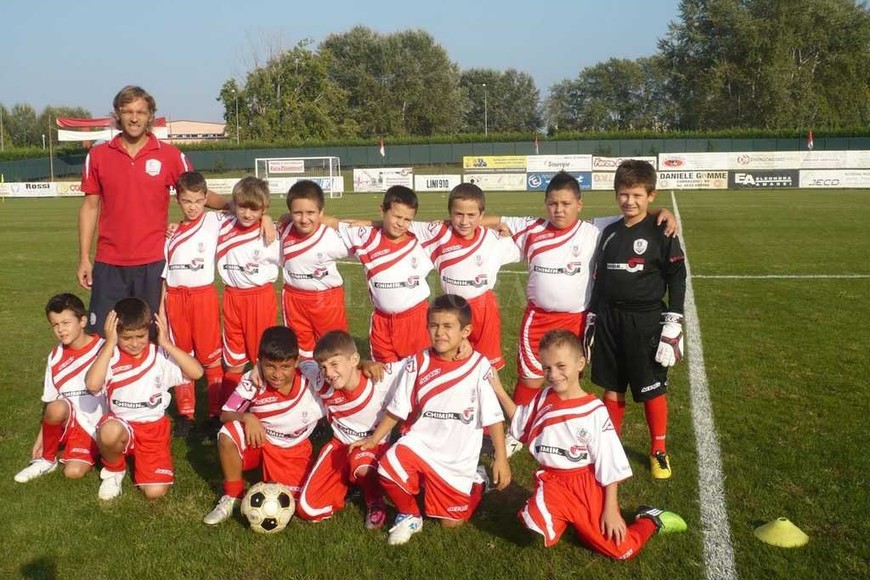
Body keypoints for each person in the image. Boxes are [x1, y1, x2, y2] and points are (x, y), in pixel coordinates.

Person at [481, 171, 677, 407]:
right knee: (530, 378)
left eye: (566, 203)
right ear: (545, 204)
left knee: (569, 377)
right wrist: (459, 221)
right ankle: (518, 430)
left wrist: (661, 212)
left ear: (579, 205)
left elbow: (635, 213)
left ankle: (560, 419)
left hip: (577, 320)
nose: (559, 209)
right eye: (553, 203)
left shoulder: (594, 229)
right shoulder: (531, 227)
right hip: (538, 318)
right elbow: (496, 220)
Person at [490, 329, 686, 558]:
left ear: (580, 363)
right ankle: (566, 516)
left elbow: (609, 462)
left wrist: (610, 508)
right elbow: (521, 425)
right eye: (547, 368)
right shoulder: (544, 398)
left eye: (561, 366)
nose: (553, 374)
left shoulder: (593, 412)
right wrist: (498, 389)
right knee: (532, 526)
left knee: (621, 551)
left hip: (585, 484)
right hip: (553, 482)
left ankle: (650, 519)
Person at [350, 294, 511, 545]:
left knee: (450, 524)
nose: (439, 333)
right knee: (388, 468)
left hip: (457, 459)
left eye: (448, 327)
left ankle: (477, 480)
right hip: (420, 445)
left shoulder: (479, 366)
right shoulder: (417, 362)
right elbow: (397, 409)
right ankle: (409, 516)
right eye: (434, 325)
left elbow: (494, 417)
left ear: (465, 331)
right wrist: (374, 439)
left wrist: (500, 457)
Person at [77, 85, 227, 336]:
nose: (134, 118)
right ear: (117, 114)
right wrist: (84, 257)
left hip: (154, 262)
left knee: (153, 336)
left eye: (141, 112)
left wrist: (238, 205)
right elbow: (90, 207)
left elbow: (199, 193)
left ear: (150, 116)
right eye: (127, 111)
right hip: (109, 262)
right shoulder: (98, 155)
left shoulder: (169, 155)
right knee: (104, 336)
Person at [585, 160, 686, 479]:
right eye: (624, 194)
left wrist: (674, 320)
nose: (629, 201)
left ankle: (658, 450)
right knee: (612, 387)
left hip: (646, 321)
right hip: (610, 319)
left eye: (637, 195)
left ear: (651, 195)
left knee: (652, 388)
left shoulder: (662, 230)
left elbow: (677, 276)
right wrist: (592, 316)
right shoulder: (610, 232)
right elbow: (600, 278)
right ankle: (611, 447)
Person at [203, 326, 324, 525]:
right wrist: (247, 418)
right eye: (270, 366)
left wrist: (364, 363)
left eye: (285, 367)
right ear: (259, 361)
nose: (277, 374)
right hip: (261, 441)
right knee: (227, 434)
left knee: (303, 507)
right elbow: (225, 414)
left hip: (293, 449)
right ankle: (233, 496)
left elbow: (343, 370)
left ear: (296, 361)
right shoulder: (253, 381)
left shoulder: (312, 376)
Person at [85, 298, 203, 501]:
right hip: (121, 425)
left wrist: (165, 343)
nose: (134, 343)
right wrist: (110, 343)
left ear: (149, 329)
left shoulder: (159, 355)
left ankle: (143, 459)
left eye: (140, 336)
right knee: (110, 431)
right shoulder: (110, 354)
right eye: (126, 337)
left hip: (153, 431)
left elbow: (197, 372)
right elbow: (92, 385)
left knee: (154, 492)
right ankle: (115, 469)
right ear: (115, 333)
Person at [296, 330, 401, 529]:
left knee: (361, 464)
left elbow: (418, 364)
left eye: (334, 364)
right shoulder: (321, 380)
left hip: (374, 446)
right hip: (339, 445)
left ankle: (374, 500)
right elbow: (298, 359)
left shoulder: (380, 378)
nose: (328, 373)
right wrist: (259, 366)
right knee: (307, 509)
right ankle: (349, 485)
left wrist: (367, 364)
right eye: (323, 367)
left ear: (354, 359)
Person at [335, 186, 435, 363]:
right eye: (396, 216)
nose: (401, 223)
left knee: (418, 374)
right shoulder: (365, 237)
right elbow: (329, 222)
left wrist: (375, 222)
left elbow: (456, 223)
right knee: (384, 377)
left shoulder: (422, 240)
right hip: (382, 322)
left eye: (407, 219)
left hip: (416, 321)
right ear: (382, 210)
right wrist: (288, 217)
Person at [15, 293, 106, 483]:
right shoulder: (55, 356)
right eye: (55, 325)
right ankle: (47, 459)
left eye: (65, 323)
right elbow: (50, 402)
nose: (61, 330)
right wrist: (42, 439)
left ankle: (106, 453)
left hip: (105, 423)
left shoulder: (104, 348)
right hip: (76, 426)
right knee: (72, 472)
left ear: (82, 320)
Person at [161, 172, 226, 437]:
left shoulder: (213, 221)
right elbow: (163, 276)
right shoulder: (169, 233)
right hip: (175, 298)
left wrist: (266, 218)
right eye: (187, 201)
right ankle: (186, 415)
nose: (192, 207)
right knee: (181, 355)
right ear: (178, 200)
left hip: (203, 297)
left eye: (198, 201)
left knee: (211, 357)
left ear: (206, 199)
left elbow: (244, 206)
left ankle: (215, 413)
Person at [216, 176, 281, 405]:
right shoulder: (222, 224)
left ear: (264, 209)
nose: (247, 214)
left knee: (261, 357)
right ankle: (229, 409)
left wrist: (268, 219)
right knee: (232, 359)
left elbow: (293, 219)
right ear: (234, 204)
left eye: (255, 209)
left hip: (259, 298)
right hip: (232, 296)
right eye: (243, 207)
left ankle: (264, 406)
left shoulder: (270, 233)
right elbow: (197, 212)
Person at [278, 180, 350, 359]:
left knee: (335, 353)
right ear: (290, 213)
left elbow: (363, 238)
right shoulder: (283, 229)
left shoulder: (332, 236)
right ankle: (310, 387)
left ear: (321, 212)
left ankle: (336, 387)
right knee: (302, 355)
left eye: (310, 213)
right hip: (294, 299)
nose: (304, 219)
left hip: (326, 299)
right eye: (297, 213)